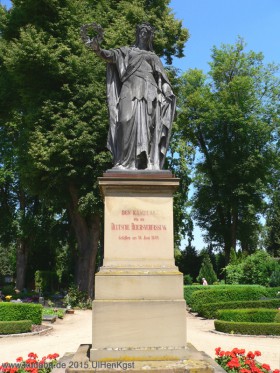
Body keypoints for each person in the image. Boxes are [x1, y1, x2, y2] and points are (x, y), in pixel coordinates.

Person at [84, 22, 176, 170]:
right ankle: (124, 162)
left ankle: (144, 162)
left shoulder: (153, 56)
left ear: (150, 37)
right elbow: (110, 56)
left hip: (149, 92)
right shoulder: (126, 51)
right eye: (141, 32)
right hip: (129, 89)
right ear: (137, 34)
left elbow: (162, 78)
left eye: (147, 33)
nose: (143, 35)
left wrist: (167, 90)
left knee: (147, 126)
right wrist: (97, 49)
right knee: (124, 121)